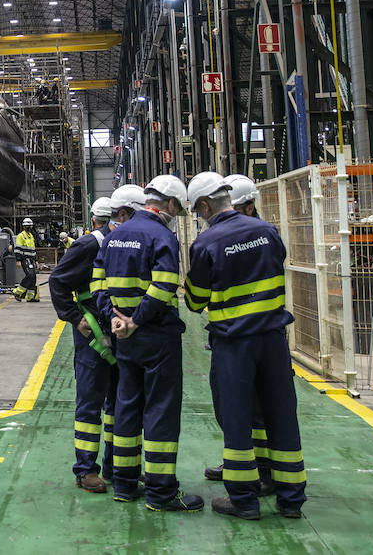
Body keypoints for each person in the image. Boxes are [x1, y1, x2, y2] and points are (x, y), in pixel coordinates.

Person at [185, 172, 305, 521]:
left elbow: (194, 301)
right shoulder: (267, 232)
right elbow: (277, 263)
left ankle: (244, 500)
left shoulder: (206, 243)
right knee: (281, 415)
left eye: (198, 210)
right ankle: (291, 499)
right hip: (272, 340)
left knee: (237, 419)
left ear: (206, 206)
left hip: (234, 344)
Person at [94, 174, 203, 512]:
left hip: (123, 338)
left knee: (127, 406)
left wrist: (115, 319)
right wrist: (137, 319)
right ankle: (161, 492)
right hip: (156, 336)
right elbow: (165, 287)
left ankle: (125, 485)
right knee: (159, 410)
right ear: (169, 204)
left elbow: (97, 284)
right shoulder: (162, 237)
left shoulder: (115, 236)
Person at [49, 195, 121, 492]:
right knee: (91, 401)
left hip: (117, 330)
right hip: (92, 333)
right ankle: (86, 470)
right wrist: (76, 318)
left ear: (93, 218)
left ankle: (117, 464)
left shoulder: (120, 242)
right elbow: (58, 281)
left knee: (118, 401)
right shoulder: (88, 245)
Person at [203, 171, 270, 487]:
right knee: (254, 407)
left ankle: (247, 472)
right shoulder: (267, 234)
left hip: (235, 336)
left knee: (235, 405)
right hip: (259, 334)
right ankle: (262, 469)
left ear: (244, 207)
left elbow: (198, 292)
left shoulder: (230, 240)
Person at [13, 217, 40, 301]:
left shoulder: (31, 236)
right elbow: (17, 249)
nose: (29, 228)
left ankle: (30, 297)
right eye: (27, 226)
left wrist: (36, 261)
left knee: (33, 278)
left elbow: (33, 249)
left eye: (30, 226)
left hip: (31, 259)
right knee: (30, 275)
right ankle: (17, 292)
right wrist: (18, 260)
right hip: (25, 259)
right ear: (24, 226)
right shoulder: (21, 236)